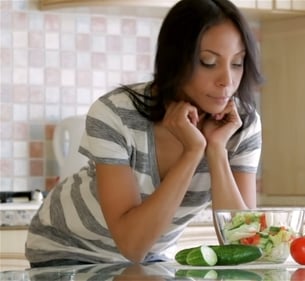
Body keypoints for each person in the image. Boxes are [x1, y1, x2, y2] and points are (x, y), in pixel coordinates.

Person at [25, 0, 263, 267]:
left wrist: (216, 150)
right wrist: (192, 152)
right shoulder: (115, 112)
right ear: (176, 59)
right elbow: (132, 245)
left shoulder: (239, 125)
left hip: (149, 257)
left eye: (238, 63)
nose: (227, 81)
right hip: (67, 249)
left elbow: (243, 246)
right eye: (208, 62)